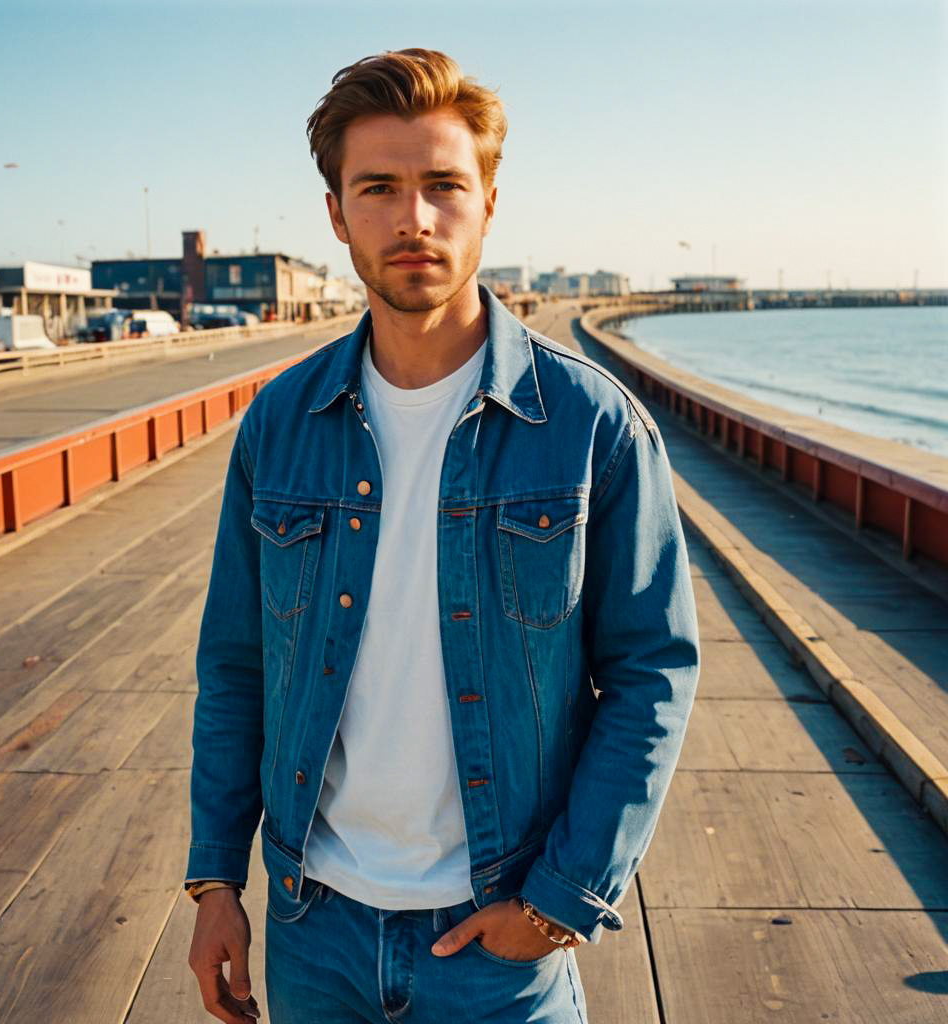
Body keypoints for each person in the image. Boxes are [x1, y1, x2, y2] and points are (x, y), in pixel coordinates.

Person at [185, 47, 699, 1024]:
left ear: (489, 202)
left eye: (442, 186)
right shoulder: (280, 426)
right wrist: (216, 879)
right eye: (377, 187)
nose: (413, 218)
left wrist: (557, 903)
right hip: (313, 930)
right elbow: (237, 668)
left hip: (499, 946)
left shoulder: (591, 426)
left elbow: (651, 676)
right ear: (336, 212)